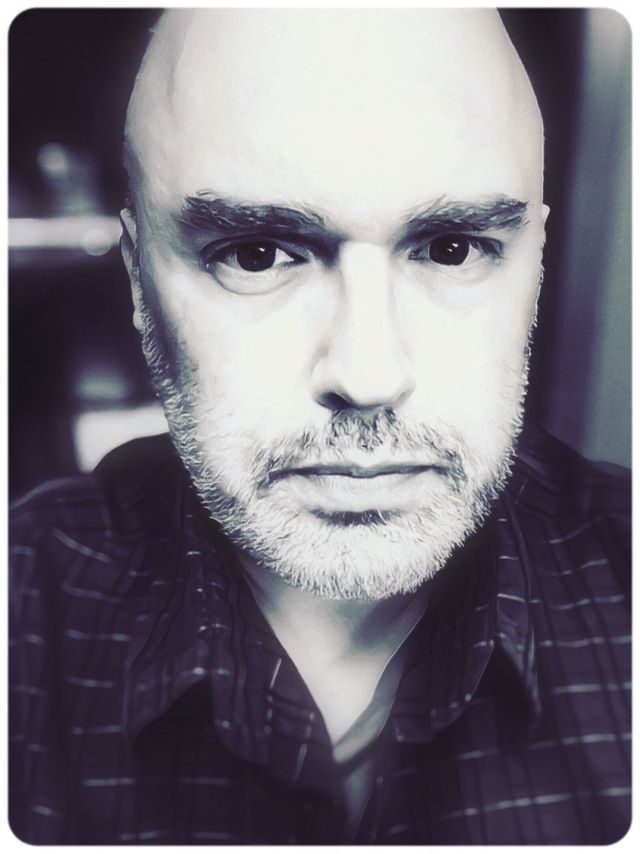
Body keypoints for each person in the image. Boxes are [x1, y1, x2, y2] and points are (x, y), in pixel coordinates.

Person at [9, 8, 630, 845]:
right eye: (257, 254)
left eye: (452, 248)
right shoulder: (24, 618)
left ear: (537, 263)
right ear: (137, 280)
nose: (369, 376)